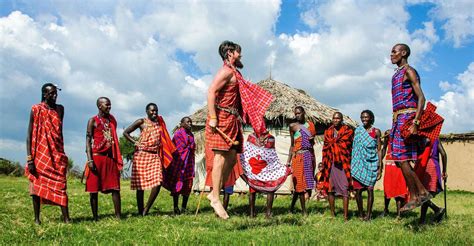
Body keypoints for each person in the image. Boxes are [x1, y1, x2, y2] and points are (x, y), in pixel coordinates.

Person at [205, 40, 273, 219]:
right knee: (219, 158)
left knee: (232, 158)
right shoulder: (226, 72)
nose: (240, 55)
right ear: (230, 53)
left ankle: (214, 192)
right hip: (221, 118)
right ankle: (215, 198)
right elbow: (211, 91)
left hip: (232, 120)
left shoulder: (236, 73)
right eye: (238, 52)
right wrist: (213, 117)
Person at [388, 43, 432, 211]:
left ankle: (415, 195)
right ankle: (420, 192)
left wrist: (416, 122)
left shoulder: (409, 71)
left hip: (408, 118)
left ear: (404, 53)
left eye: (394, 51)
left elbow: (421, 98)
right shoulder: (396, 75)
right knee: (399, 160)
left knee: (401, 158)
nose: (391, 54)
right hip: (398, 119)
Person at [25, 83, 70, 224]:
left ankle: (66, 218)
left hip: (57, 153)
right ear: (45, 94)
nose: (55, 96)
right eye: (51, 93)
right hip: (40, 154)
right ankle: (37, 219)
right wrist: (30, 159)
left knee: (61, 184)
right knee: (37, 185)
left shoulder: (60, 109)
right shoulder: (36, 109)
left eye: (56, 93)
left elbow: (59, 133)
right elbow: (29, 134)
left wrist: (61, 151)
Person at [124, 103, 176, 216]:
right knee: (140, 186)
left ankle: (146, 209)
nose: (155, 113)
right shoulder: (141, 122)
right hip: (141, 155)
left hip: (154, 155)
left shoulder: (159, 123)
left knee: (158, 181)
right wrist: (135, 142)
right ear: (147, 111)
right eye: (152, 111)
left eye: (156, 110)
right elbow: (126, 132)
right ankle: (140, 211)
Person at [85, 97, 123, 220]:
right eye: (107, 105)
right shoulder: (93, 121)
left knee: (115, 188)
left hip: (109, 158)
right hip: (96, 158)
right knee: (94, 189)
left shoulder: (112, 120)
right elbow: (88, 141)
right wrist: (90, 160)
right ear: (99, 106)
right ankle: (95, 217)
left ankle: (118, 216)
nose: (109, 107)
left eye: (110, 104)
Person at [240, 132, 291, 218]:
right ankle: (264, 213)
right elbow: (248, 151)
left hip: (263, 168)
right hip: (258, 169)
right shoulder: (261, 137)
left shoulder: (258, 137)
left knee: (265, 190)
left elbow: (270, 154)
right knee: (266, 190)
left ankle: (254, 213)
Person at [319, 112, 354, 220]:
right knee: (330, 189)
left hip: (343, 162)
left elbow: (349, 146)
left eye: (338, 118)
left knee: (345, 188)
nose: (336, 120)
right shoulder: (328, 132)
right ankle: (333, 214)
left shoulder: (347, 131)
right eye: (334, 118)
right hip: (330, 162)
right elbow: (325, 147)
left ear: (342, 119)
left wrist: (336, 146)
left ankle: (345, 216)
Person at [350, 110, 382, 221]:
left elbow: (378, 150)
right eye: (362, 117)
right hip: (359, 164)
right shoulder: (358, 131)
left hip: (371, 164)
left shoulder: (376, 132)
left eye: (366, 117)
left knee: (370, 190)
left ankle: (368, 215)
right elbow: (354, 149)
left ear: (371, 118)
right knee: (358, 191)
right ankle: (360, 214)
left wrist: (379, 167)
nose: (364, 119)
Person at [287, 107, 317, 216]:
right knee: (299, 184)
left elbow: (312, 142)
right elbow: (292, 145)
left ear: (303, 113)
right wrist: (288, 161)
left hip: (308, 156)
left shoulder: (311, 125)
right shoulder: (292, 126)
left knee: (302, 184)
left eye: (299, 113)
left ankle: (291, 208)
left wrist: (311, 139)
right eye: (296, 113)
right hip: (298, 157)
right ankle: (304, 212)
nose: (297, 115)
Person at [163, 117, 195, 215]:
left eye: (191, 122)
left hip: (189, 163)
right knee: (177, 185)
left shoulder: (191, 135)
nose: (190, 123)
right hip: (179, 163)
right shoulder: (178, 135)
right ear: (181, 124)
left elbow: (193, 147)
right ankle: (176, 208)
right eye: (187, 122)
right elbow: (174, 149)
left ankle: (184, 208)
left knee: (188, 185)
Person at [416, 139, 447, 224]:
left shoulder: (419, 139)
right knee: (425, 194)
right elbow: (443, 154)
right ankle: (435, 211)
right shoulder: (435, 139)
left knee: (423, 194)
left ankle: (423, 219)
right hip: (433, 165)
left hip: (423, 166)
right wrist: (444, 171)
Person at [380, 130, 408, 218]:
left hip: (400, 163)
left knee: (399, 186)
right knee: (387, 186)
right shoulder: (388, 132)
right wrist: (379, 161)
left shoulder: (404, 132)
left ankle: (399, 213)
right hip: (389, 163)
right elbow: (384, 148)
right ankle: (386, 209)